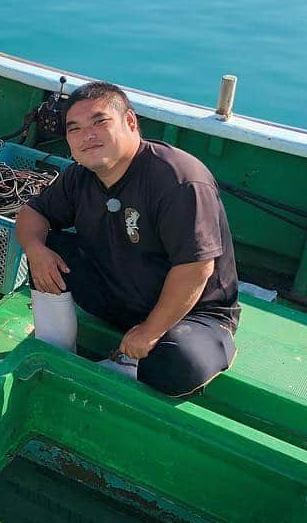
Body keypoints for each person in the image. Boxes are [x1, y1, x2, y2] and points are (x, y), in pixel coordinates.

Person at [15, 81, 240, 396]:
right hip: (120, 293)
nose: (87, 136)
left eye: (99, 122)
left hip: (193, 313)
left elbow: (196, 269)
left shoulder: (179, 180)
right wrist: (36, 249)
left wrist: (151, 330)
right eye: (74, 129)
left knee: (180, 363)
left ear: (131, 123)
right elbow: (32, 215)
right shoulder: (81, 176)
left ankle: (122, 364)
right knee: (47, 247)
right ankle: (53, 353)